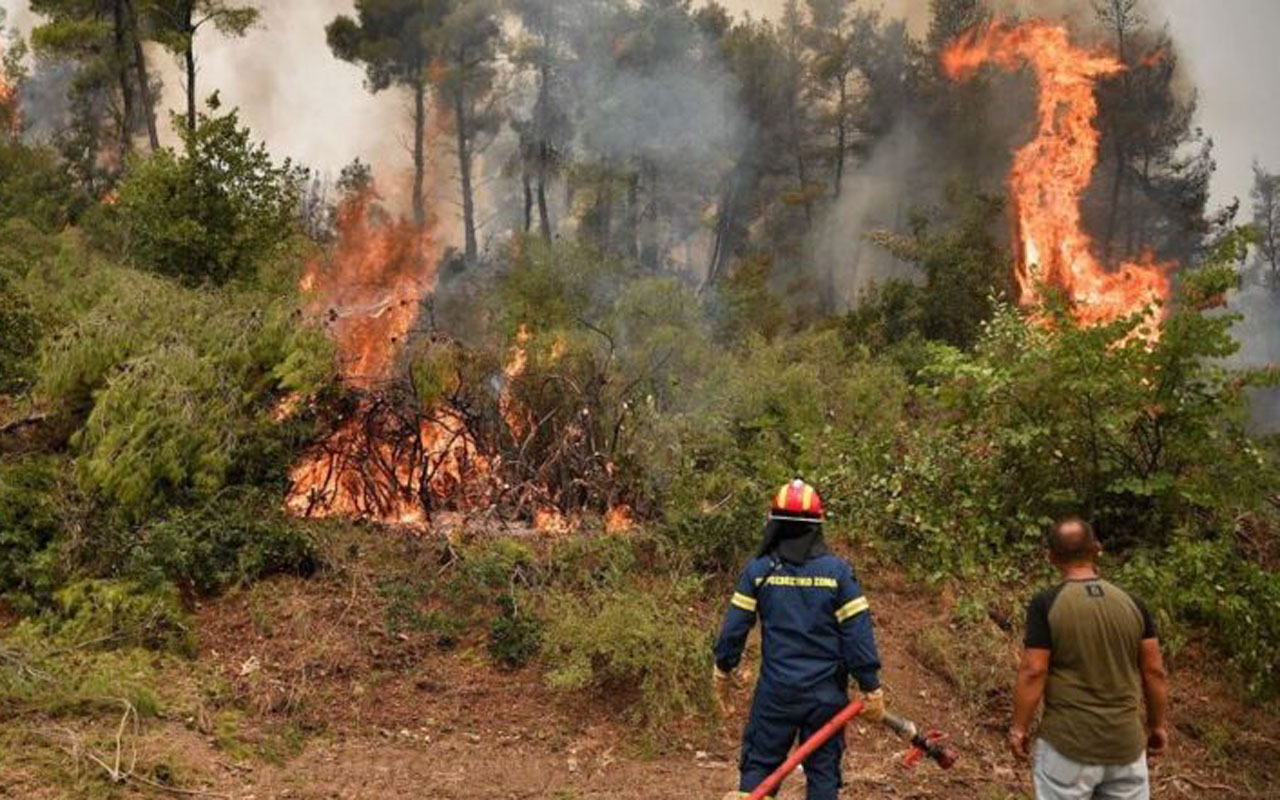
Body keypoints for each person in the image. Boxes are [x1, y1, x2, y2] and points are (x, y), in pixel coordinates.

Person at [712, 479, 886, 800]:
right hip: (826, 698)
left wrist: (723, 669)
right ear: (818, 526)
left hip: (776, 694)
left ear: (774, 525)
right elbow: (857, 635)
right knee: (822, 772)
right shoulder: (838, 573)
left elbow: (735, 629)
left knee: (760, 767)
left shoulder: (759, 572)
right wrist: (870, 684)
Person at [1010, 517, 1169, 800]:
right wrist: (1157, 726)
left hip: (1068, 746)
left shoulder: (1046, 604)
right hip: (1125, 746)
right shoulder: (1133, 603)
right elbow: (1154, 671)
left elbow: (1034, 670)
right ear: (1097, 549)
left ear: (1051, 557)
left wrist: (1019, 728)